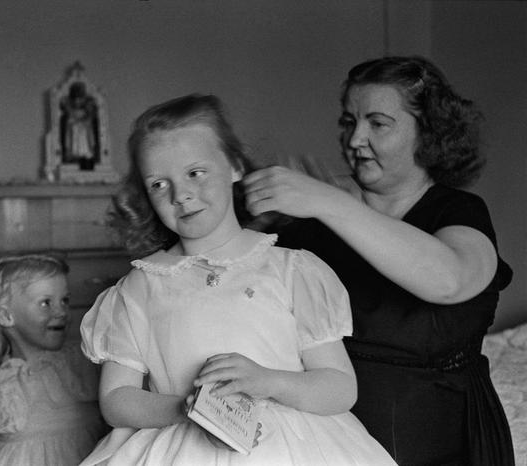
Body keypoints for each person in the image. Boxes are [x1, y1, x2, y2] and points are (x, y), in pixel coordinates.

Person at [78, 93, 396, 465]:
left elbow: (340, 387)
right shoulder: (140, 286)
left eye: (196, 173)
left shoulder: (291, 270)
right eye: (159, 185)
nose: (181, 195)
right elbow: (117, 400)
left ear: (233, 166)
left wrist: (269, 381)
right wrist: (185, 409)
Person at [243, 55, 514, 465]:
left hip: (444, 440)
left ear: (428, 131)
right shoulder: (312, 222)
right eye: (349, 122)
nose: (354, 140)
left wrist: (328, 200)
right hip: (331, 439)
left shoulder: (459, 211)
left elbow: (449, 280)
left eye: (378, 123)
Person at [0, 254, 107, 466]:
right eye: (45, 303)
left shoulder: (85, 362)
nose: (61, 312)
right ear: (6, 316)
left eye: (64, 300)